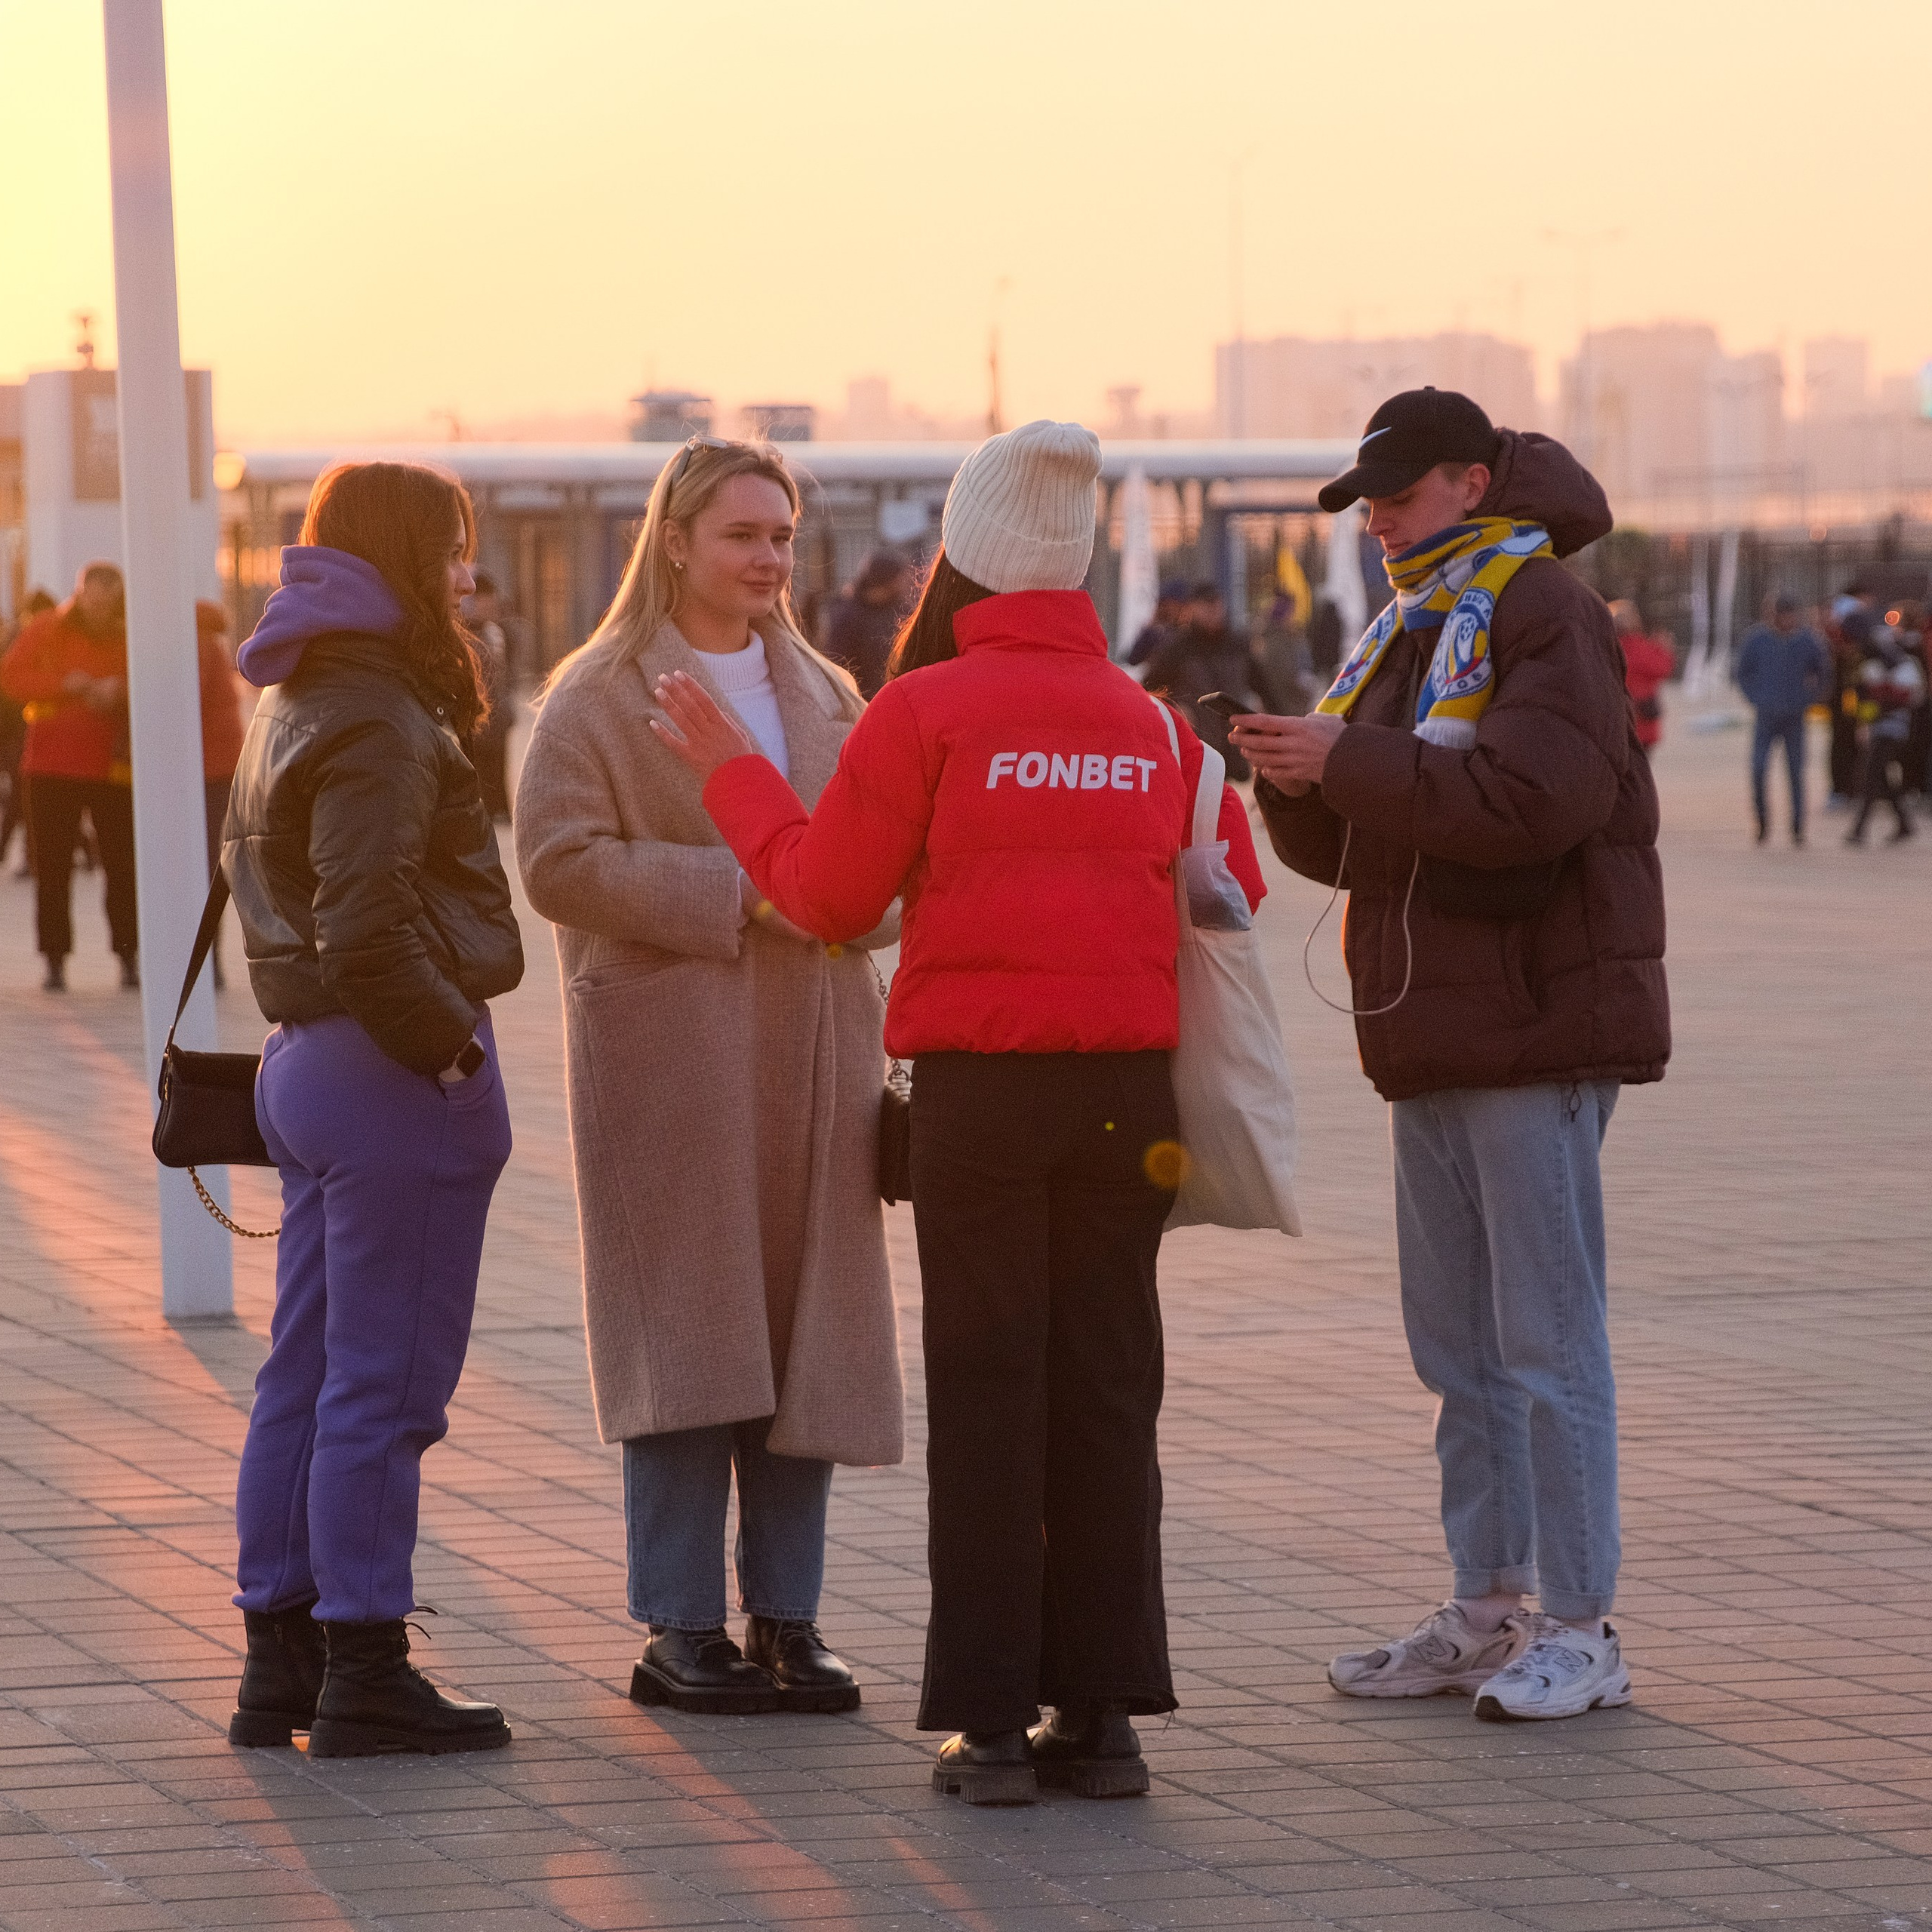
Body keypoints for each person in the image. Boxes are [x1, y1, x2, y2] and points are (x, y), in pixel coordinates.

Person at [648, 420, 1266, 1803]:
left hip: (982, 1099)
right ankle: (1102, 1720)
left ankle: (989, 1726)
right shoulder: (1152, 723)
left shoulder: (925, 713)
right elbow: (1235, 886)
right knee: (1108, 1390)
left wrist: (734, 777)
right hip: (1128, 1100)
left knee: (991, 1395)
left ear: (967, 555)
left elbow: (828, 899)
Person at [1229, 388, 1669, 1724]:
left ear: (1474, 483)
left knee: (1545, 1344)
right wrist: (1297, 778)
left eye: (1400, 494)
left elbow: (1536, 804)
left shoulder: (1539, 608)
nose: (1376, 518)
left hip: (1533, 1028)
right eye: (1366, 500)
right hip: (1429, 1029)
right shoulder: (1417, 621)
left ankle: (1582, 1628)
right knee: (1460, 1349)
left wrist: (1349, 759)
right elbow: (1380, 830)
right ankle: (1488, 1610)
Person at [515, 438, 903, 1720]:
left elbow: (889, 870)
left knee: (807, 1335)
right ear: (674, 539)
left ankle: (789, 1617)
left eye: (782, 535)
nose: (770, 558)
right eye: (743, 533)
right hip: (670, 1055)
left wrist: (850, 903)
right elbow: (557, 862)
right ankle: (678, 1625)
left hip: (816, 1053)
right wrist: (741, 893)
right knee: (686, 1332)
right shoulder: (595, 694)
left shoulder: (829, 692)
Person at [224, 460, 525, 1758]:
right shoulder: (381, 713)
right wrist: (451, 1054)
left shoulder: (296, 687)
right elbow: (365, 925)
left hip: (305, 1064)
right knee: (384, 1388)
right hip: (388, 1074)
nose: (465, 572)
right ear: (406, 555)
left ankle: (280, 1658)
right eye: (451, 549)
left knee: (303, 1374)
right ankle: (366, 1665)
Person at [0, 563, 137, 991]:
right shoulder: (47, 627)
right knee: (52, 868)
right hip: (51, 766)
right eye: (91, 599)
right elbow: (12, 677)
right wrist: (66, 684)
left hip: (113, 767)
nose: (98, 609)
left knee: (122, 865)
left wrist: (120, 690)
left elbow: (157, 680)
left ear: (118, 598)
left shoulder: (132, 630)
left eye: (107, 602)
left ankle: (129, 954)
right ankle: (55, 958)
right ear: (79, 593)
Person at [1735, 594, 1830, 846]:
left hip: (1795, 716)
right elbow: (1743, 673)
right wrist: (1756, 697)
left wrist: (1808, 698)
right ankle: (1762, 821)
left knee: (1796, 772)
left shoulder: (1808, 640)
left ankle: (1798, 825)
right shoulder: (1756, 640)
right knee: (1758, 768)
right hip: (1766, 715)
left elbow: (1823, 673)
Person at [1137, 583, 1258, 777]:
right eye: (1206, 605)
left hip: (1236, 750)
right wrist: (1176, 709)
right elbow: (1147, 690)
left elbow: (1265, 688)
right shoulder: (1177, 647)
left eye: (1216, 605)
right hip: (1196, 750)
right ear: (1192, 608)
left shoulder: (1237, 646)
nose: (1212, 611)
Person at [196, 601, 247, 986]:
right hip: (222, 767)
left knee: (201, 865)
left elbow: (187, 700)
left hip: (205, 769)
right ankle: (210, 964)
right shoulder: (215, 645)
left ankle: (205, 961)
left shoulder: (198, 646)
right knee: (212, 863)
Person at [1845, 623, 1921, 845]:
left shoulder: (1905, 666)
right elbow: (1864, 701)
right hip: (1880, 728)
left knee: (1871, 776)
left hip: (1895, 729)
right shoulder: (1874, 667)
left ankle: (1859, 830)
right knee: (1880, 777)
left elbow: (1914, 698)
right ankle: (1904, 824)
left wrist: (1885, 699)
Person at [820, 549, 914, 699]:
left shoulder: (903, 612)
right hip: (858, 698)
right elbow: (837, 662)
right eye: (902, 576)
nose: (907, 581)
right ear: (888, 577)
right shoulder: (847, 615)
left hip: (895, 696)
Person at [465, 572, 515, 821]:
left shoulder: (496, 633)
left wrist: (508, 710)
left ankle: (499, 810)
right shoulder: (465, 633)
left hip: (498, 718)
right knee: (479, 773)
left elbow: (505, 677)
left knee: (498, 768)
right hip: (476, 719)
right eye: (488, 600)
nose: (492, 606)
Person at [1825, 586, 1873, 805]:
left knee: (1859, 743)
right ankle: (1843, 788)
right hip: (1845, 702)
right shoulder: (1836, 647)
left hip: (1859, 701)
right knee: (1843, 742)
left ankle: (1856, 788)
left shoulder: (1861, 648)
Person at [1609, 600, 1674, 758]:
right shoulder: (1644, 647)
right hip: (1643, 720)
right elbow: (1663, 669)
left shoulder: (1606, 649)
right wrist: (1664, 649)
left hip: (1615, 720)